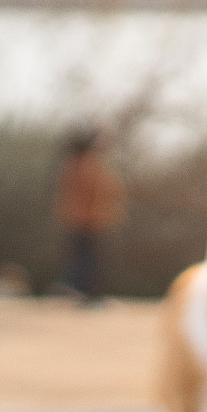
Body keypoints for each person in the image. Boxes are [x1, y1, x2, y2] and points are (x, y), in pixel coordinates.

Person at [54, 128, 125, 304]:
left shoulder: (74, 163)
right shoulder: (87, 164)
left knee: (84, 258)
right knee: (88, 259)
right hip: (88, 221)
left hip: (83, 219)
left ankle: (81, 291)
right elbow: (98, 193)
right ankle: (84, 293)